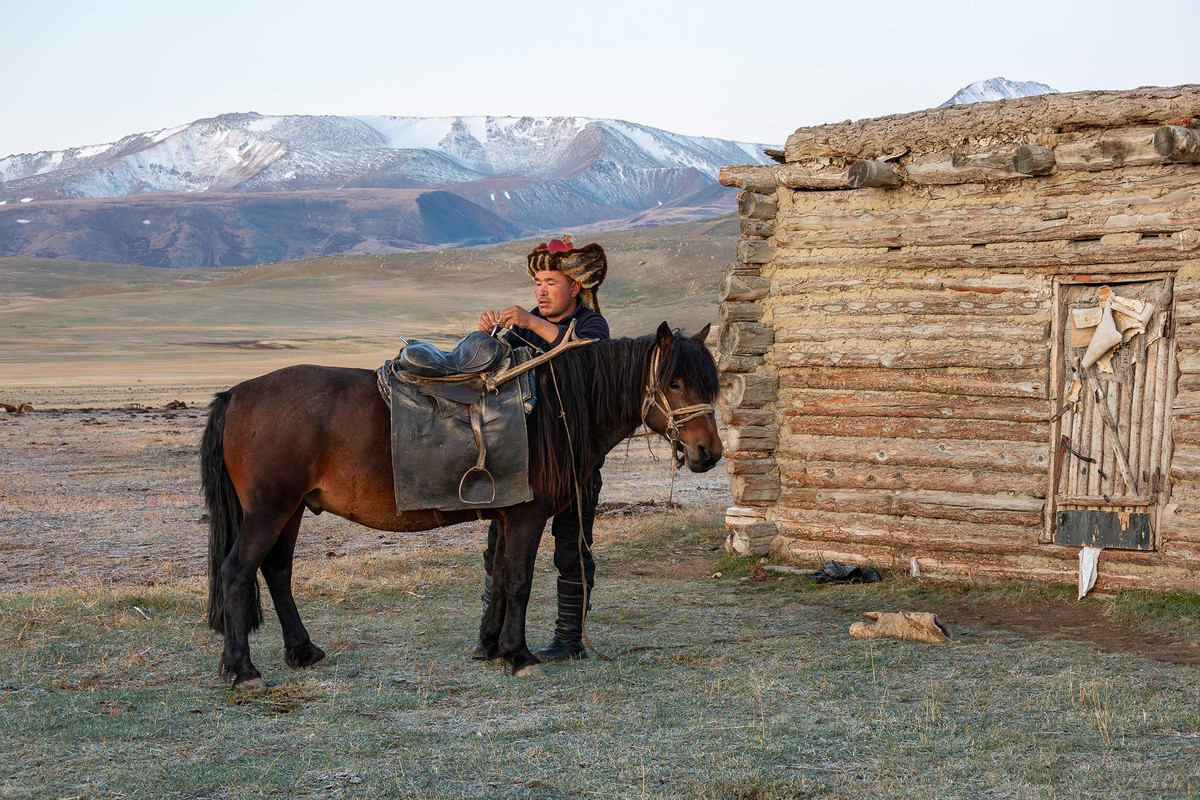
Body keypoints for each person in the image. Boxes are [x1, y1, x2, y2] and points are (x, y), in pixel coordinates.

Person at [475, 234, 610, 661]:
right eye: (537, 282)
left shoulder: (591, 325)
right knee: (501, 543)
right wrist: (491, 338)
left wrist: (531, 324)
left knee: (572, 550)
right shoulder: (524, 326)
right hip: (527, 459)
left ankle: (570, 640)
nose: (541, 291)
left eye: (550, 281)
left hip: (575, 461)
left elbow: (591, 360)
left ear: (574, 287)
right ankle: (491, 634)